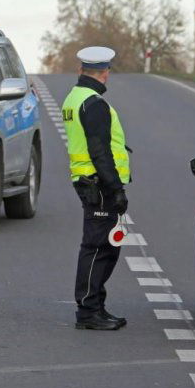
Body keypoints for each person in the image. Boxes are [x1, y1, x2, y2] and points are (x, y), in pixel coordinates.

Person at [61, 46, 131, 331]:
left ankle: (95, 307)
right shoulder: (94, 104)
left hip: (87, 180)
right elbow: (100, 151)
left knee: (100, 246)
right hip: (98, 183)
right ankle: (89, 311)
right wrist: (116, 189)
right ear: (105, 73)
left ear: (81, 70)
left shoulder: (74, 98)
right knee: (99, 248)